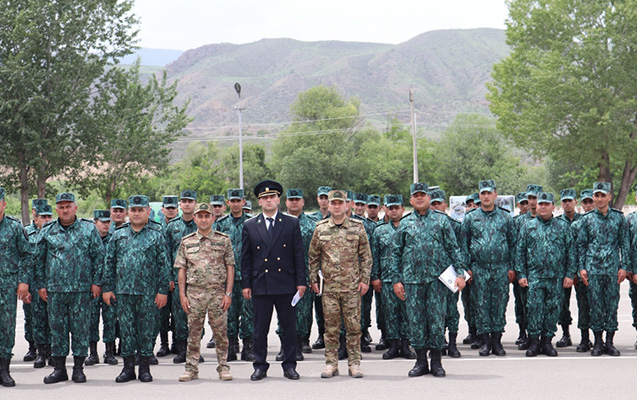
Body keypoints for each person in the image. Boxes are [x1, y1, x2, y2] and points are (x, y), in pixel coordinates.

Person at [389, 183, 466, 377]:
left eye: (423, 195)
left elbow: (453, 248)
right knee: (416, 321)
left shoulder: (441, 221)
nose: (419, 198)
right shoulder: (405, 223)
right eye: (416, 195)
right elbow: (395, 253)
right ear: (411, 200)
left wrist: (460, 273)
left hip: (436, 281)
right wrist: (396, 280)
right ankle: (421, 361)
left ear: (429, 198)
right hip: (412, 281)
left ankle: (437, 361)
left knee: (437, 321)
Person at [35, 192, 104, 384]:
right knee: (57, 330)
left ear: (75, 208)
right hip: (55, 290)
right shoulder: (48, 230)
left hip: (81, 290)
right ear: (56, 209)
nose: (65, 210)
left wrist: (97, 282)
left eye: (68, 206)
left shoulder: (88, 229)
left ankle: (78, 369)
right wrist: (41, 285)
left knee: (80, 329)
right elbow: (38, 260)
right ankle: (59, 369)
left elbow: (99, 257)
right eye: (61, 207)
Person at [241, 180, 306, 381]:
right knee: (260, 329)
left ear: (278, 200)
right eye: (265, 198)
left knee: (288, 328)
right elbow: (246, 258)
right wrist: (246, 284)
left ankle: (289, 365)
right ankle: (260, 365)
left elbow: (298, 254)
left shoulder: (291, 223)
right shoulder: (250, 225)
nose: (269, 200)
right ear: (259, 202)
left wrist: (301, 281)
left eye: (272, 197)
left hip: (285, 283)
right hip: (261, 283)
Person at [103, 195, 170, 383]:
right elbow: (109, 263)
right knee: (126, 331)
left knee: (146, 331)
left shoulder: (156, 235)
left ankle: (144, 368)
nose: (137, 213)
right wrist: (107, 288)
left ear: (148, 212)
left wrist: (163, 290)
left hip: (148, 293)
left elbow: (164, 265)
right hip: (124, 293)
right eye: (133, 210)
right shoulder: (118, 235)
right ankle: (128, 368)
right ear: (128, 212)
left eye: (141, 210)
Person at [309, 189, 372, 378]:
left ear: (347, 205)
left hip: (352, 287)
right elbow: (313, 257)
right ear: (328, 205)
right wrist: (313, 279)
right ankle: (331, 364)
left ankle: (354, 363)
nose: (337, 207)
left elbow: (366, 256)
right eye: (333, 203)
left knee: (354, 327)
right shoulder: (320, 229)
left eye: (340, 203)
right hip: (329, 288)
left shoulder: (357, 227)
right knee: (330, 329)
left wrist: (365, 280)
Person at [175, 203, 235, 382]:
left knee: (220, 333)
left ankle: (223, 367)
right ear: (194, 219)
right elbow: (182, 270)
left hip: (217, 293)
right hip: (195, 294)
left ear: (213, 218)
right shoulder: (187, 241)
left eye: (207, 216)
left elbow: (230, 267)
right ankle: (191, 369)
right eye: (199, 216)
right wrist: (182, 295)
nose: (203, 220)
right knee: (193, 333)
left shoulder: (223, 240)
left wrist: (228, 293)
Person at [516, 192, 576, 357]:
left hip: (556, 277)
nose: (543, 207)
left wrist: (569, 274)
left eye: (546, 204)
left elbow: (571, 252)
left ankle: (547, 342)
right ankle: (534, 342)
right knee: (534, 309)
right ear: (536, 206)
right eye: (540, 204)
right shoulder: (527, 226)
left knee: (552, 309)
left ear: (553, 207)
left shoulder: (563, 227)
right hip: (534, 277)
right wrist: (521, 274)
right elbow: (520, 252)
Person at [462, 180, 515, 357]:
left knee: (500, 305)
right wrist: (466, 268)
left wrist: (512, 267)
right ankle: (485, 341)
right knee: (480, 305)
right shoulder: (470, 218)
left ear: (495, 195)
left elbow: (513, 243)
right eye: (483, 193)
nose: (486, 196)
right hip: (479, 268)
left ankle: (497, 341)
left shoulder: (506, 217)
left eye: (489, 193)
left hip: (501, 268)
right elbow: (464, 245)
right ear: (479, 196)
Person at [577, 182, 629, 356]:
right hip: (593, 269)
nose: (599, 199)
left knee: (612, 306)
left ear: (609, 197)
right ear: (593, 197)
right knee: (596, 306)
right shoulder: (587, 219)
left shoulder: (619, 218)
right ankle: (598, 342)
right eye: (597, 195)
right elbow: (582, 245)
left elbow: (625, 244)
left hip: (612, 270)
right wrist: (582, 268)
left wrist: (624, 267)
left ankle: (610, 342)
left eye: (603, 195)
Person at [370, 195, 414, 360]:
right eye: (391, 208)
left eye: (397, 207)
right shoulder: (379, 230)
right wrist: (375, 277)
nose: (394, 211)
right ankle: (393, 345)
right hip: (387, 279)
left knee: (407, 312)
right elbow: (374, 256)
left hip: (408, 278)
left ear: (403, 209)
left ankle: (406, 345)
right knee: (390, 313)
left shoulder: (410, 227)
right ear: (385, 209)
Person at [213, 189, 254, 362]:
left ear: (243, 202)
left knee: (248, 313)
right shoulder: (220, 224)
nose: (236, 204)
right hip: (226, 278)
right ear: (228, 203)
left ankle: (248, 347)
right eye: (233, 201)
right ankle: (230, 346)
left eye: (239, 201)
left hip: (247, 276)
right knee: (228, 313)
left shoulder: (252, 222)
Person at [276, 188, 316, 360]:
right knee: (283, 312)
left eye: (297, 199)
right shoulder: (278, 222)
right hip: (282, 274)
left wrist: (314, 276)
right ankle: (284, 347)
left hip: (304, 275)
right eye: (291, 199)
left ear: (303, 202)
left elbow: (316, 253)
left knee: (303, 313)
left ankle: (298, 345)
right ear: (285, 202)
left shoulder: (312, 224)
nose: (294, 202)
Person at [430, 189, 467, 358]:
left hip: (450, 274)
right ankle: (438, 342)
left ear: (445, 205)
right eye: (433, 204)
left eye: (439, 203)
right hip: (432, 275)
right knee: (434, 312)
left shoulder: (456, 226)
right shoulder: (427, 224)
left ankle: (452, 344)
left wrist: (461, 272)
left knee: (452, 310)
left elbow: (462, 250)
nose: (436, 207)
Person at [0, 187, 32, 387]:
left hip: (7, 287)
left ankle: (4, 370)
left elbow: (26, 255)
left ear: (4, 204)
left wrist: (23, 282)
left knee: (6, 328)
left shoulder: (14, 227)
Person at [166, 190, 200, 364]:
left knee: (197, 316)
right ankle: (182, 350)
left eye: (190, 201)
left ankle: (195, 349)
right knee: (179, 315)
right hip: (177, 278)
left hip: (198, 279)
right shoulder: (172, 226)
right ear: (180, 204)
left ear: (195, 204)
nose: (187, 204)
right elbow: (165, 254)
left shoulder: (201, 224)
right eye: (184, 201)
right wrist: (168, 278)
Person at [85, 210, 118, 367]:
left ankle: (109, 352)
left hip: (110, 286)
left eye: (108, 222)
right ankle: (93, 353)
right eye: (102, 222)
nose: (105, 225)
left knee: (110, 319)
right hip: (92, 286)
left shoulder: (114, 239)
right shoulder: (88, 239)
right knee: (91, 320)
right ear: (95, 222)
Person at [25, 204, 53, 369]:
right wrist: (26, 286)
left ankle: (52, 352)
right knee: (38, 320)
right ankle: (40, 352)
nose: (47, 220)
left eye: (49, 216)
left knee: (54, 320)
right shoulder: (28, 235)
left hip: (53, 284)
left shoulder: (56, 235)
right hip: (35, 284)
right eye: (43, 217)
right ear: (36, 220)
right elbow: (25, 262)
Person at [554, 189, 581, 349]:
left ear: (575, 202)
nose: (567, 203)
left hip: (582, 269)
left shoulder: (584, 220)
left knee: (585, 304)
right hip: (562, 270)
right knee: (562, 304)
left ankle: (586, 337)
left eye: (570, 200)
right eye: (564, 201)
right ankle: (566, 334)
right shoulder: (557, 223)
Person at [572, 189, 595, 352]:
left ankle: (601, 340)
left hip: (600, 271)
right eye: (585, 202)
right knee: (583, 307)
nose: (588, 205)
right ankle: (585, 339)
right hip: (582, 273)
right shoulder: (577, 225)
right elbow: (573, 251)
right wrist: (575, 271)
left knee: (601, 307)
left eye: (590, 202)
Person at [309, 185, 332, 350]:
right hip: (318, 269)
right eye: (321, 198)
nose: (324, 201)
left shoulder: (336, 217)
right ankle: (321, 334)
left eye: (326, 198)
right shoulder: (312, 220)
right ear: (318, 199)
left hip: (333, 269)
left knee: (333, 306)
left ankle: (333, 336)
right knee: (319, 304)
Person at [157, 195, 179, 358]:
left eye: (173, 208)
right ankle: (164, 344)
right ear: (162, 209)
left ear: (177, 209)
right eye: (168, 208)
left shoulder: (181, 225)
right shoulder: (156, 228)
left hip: (179, 277)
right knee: (162, 313)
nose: (170, 210)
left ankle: (177, 343)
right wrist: (166, 278)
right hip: (161, 278)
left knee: (178, 312)